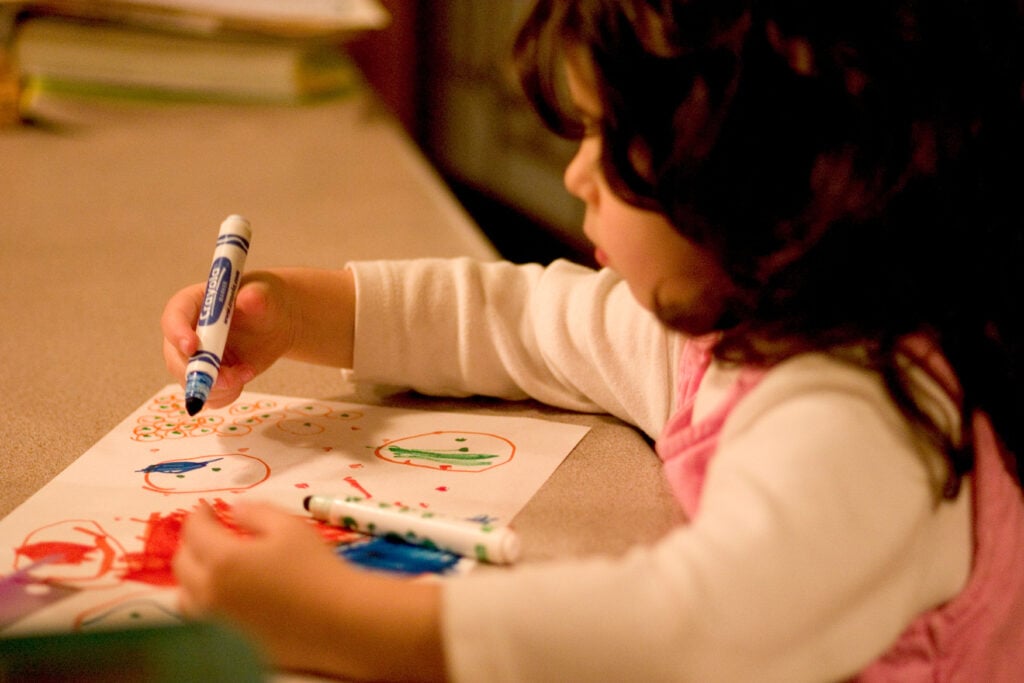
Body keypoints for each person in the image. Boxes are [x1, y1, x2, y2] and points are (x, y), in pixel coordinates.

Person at [162, 0, 1024, 680]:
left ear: (757, 172)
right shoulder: (744, 311)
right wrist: (302, 314)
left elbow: (694, 634)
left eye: (610, 137)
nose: (577, 173)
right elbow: (525, 321)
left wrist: (346, 622)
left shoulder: (860, 419)